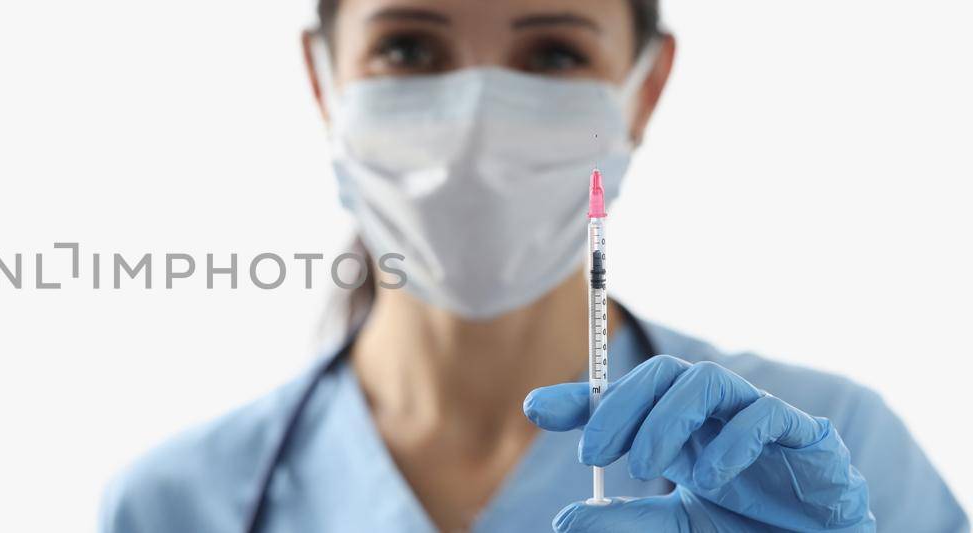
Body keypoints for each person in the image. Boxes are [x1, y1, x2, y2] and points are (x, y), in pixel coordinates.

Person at [99, 1, 969, 531]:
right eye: (408, 47)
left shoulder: (814, 457)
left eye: (552, 54)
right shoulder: (177, 505)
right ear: (323, 79)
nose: (476, 118)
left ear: (647, 87)